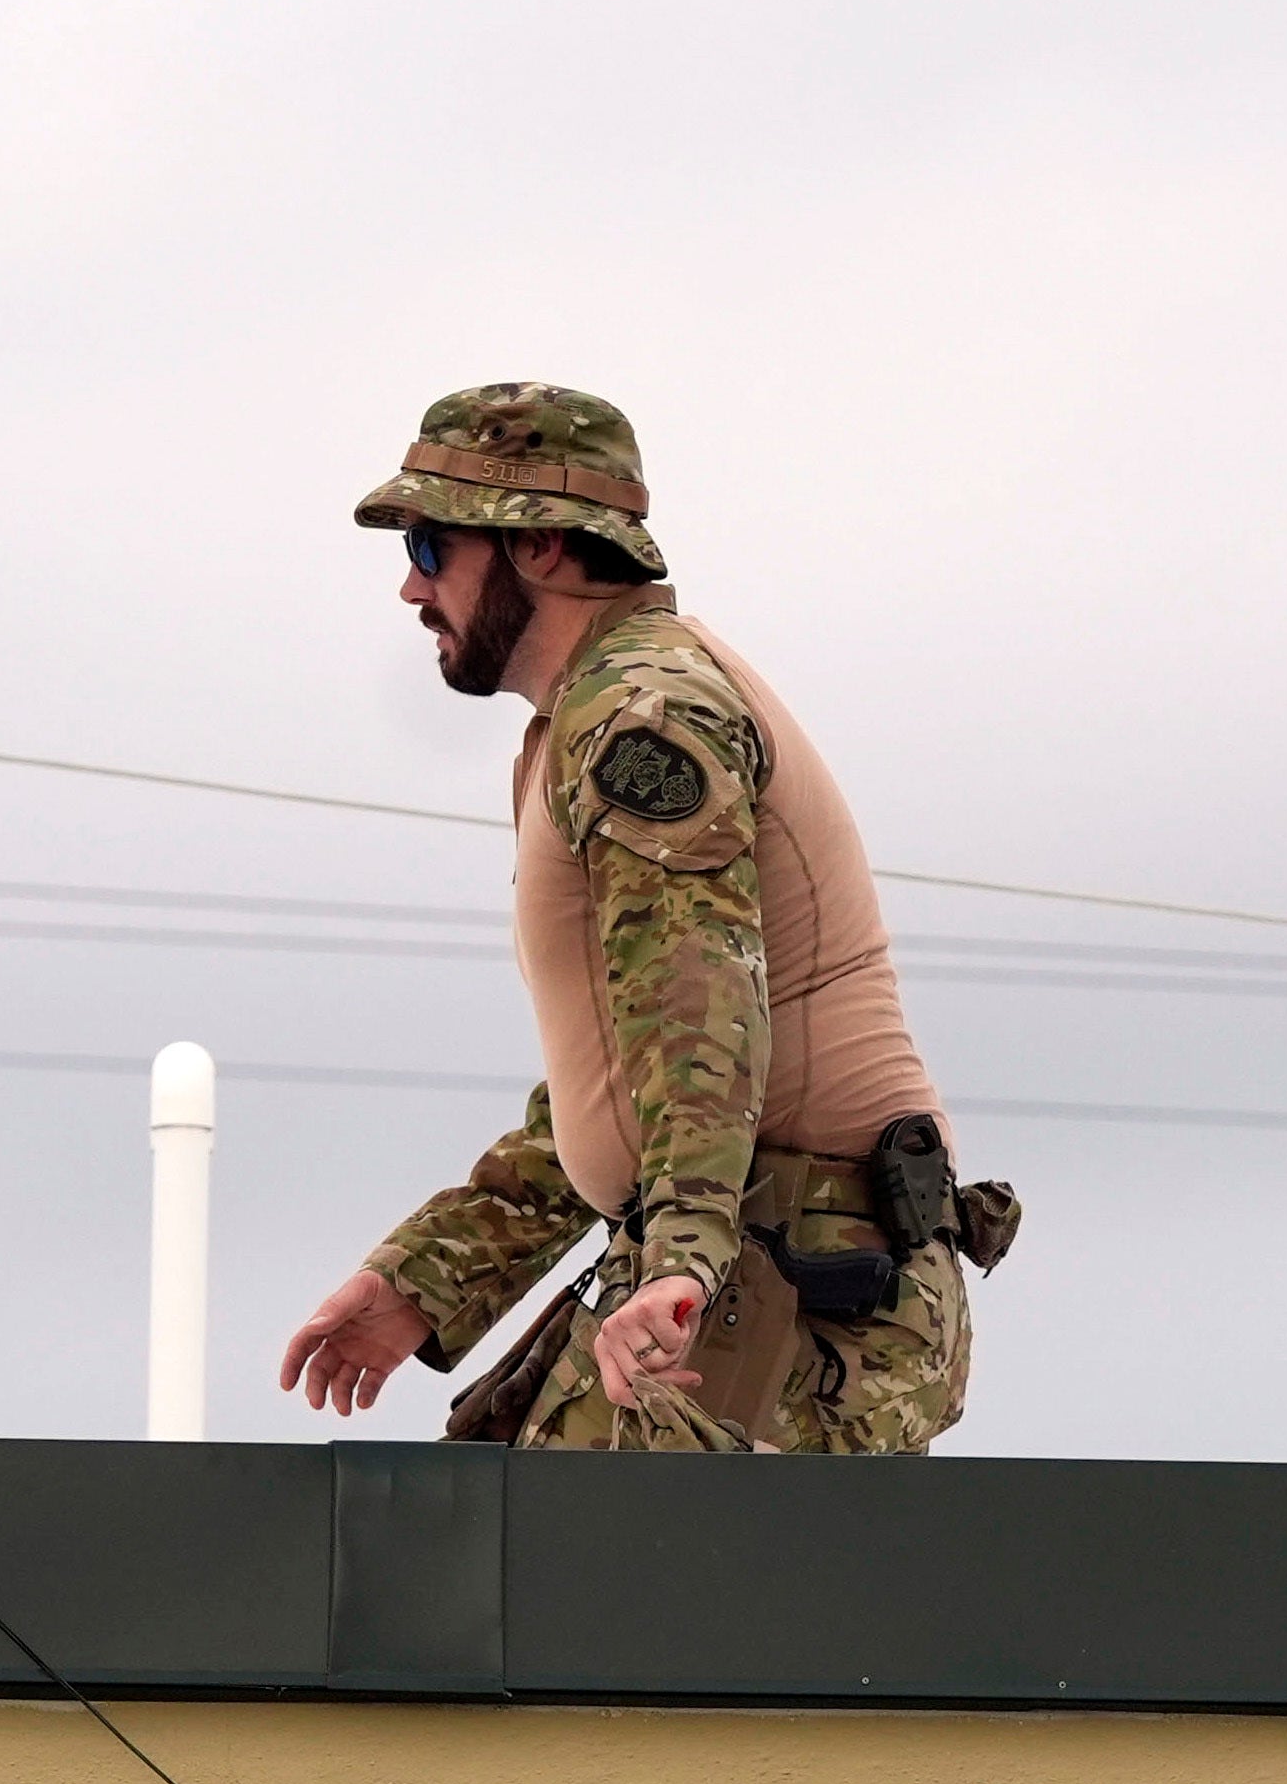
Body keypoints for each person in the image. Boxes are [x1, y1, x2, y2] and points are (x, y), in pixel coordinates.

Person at [277, 383, 1016, 1453]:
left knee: (566, 1597)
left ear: (539, 549)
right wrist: (434, 1276)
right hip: (751, 1261)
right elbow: (637, 1072)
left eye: (433, 547)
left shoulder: (645, 716)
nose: (407, 587)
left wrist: (680, 1259)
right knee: (509, 1582)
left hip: (797, 1279)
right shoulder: (592, 716)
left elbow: (696, 1017)